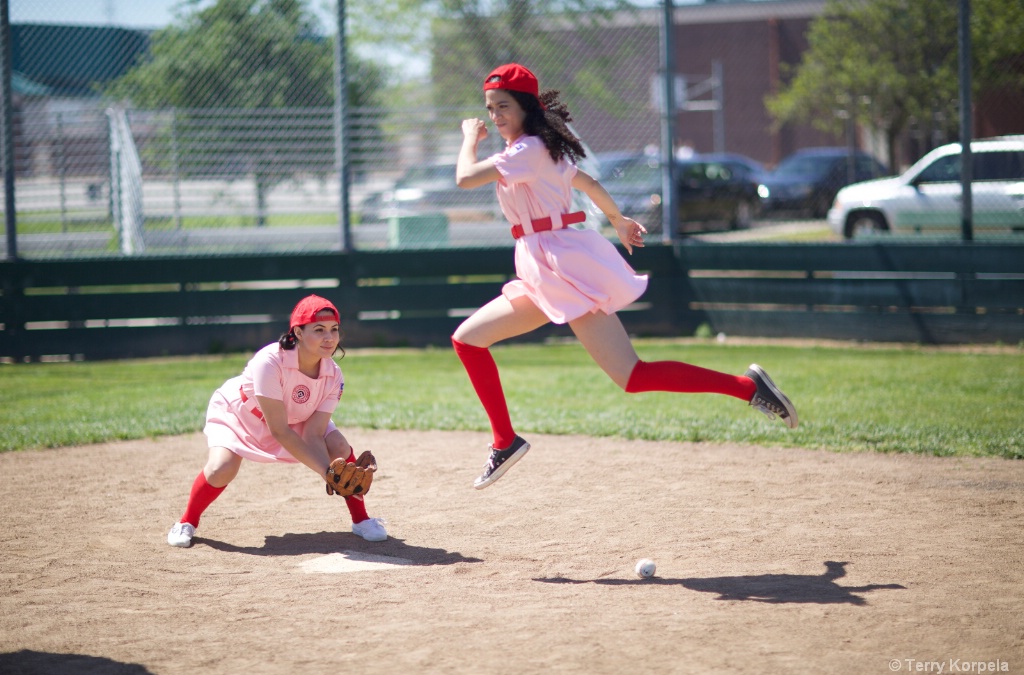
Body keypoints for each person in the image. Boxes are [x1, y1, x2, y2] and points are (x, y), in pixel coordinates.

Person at [452, 63, 797, 490]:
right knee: (467, 339)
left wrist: (469, 137)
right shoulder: (536, 149)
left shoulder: (527, 150)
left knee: (633, 376)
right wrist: (616, 220)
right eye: (489, 108)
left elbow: (464, 178)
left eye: (503, 106)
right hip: (541, 268)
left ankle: (747, 387)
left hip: (562, 268)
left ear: (525, 106)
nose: (494, 115)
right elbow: (588, 182)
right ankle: (505, 441)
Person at [166, 294, 387, 547]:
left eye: (334, 329)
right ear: (298, 333)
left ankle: (361, 520)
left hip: (297, 419)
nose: (329, 338)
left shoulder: (333, 374)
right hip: (242, 415)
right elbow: (280, 430)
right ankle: (186, 521)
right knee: (221, 469)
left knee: (339, 447)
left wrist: (331, 470)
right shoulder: (270, 361)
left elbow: (314, 433)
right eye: (319, 329)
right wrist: (327, 473)